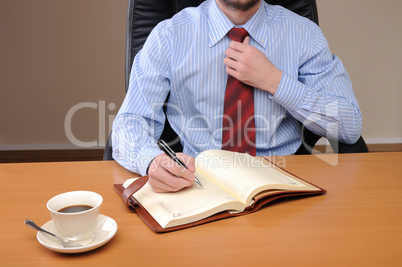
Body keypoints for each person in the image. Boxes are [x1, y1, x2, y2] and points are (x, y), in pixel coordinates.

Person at [112, 0, 362, 192]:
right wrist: (151, 161)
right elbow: (130, 121)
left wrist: (275, 81)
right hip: (198, 181)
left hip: (283, 179)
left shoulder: (304, 34)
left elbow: (349, 125)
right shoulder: (169, 36)